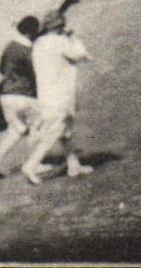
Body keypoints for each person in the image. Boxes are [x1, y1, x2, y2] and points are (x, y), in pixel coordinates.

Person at [21, 12, 94, 184]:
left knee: (65, 131)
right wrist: (73, 37)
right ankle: (30, 166)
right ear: (60, 26)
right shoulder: (60, 42)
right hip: (61, 93)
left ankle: (73, 165)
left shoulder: (39, 43)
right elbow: (81, 54)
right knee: (56, 131)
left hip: (46, 93)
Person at [0, 15, 41, 178]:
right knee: (41, 124)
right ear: (32, 32)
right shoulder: (29, 51)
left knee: (17, 129)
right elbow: (37, 73)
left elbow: (1, 69)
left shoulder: (10, 46)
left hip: (6, 95)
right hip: (25, 95)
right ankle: (35, 163)